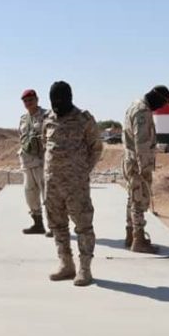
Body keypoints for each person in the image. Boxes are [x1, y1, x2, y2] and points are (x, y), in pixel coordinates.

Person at [42, 81, 102, 287]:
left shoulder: (84, 119)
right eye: (53, 101)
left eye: (61, 100)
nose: (57, 104)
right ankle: (66, 264)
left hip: (76, 185)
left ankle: (85, 269)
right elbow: (46, 145)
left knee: (83, 225)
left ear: (69, 98)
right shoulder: (48, 119)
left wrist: (82, 171)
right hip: (53, 184)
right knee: (57, 225)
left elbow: (96, 148)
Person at [122, 86, 169, 253]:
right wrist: (144, 168)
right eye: (163, 103)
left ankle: (130, 234)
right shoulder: (142, 111)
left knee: (132, 197)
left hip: (131, 161)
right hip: (138, 163)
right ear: (157, 97)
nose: (162, 107)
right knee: (139, 199)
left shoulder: (134, 105)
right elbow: (141, 142)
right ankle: (138, 239)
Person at [17, 89, 49, 235]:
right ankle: (38, 224)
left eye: (31, 100)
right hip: (27, 162)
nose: (28, 103)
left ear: (37, 99)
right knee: (30, 194)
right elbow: (22, 137)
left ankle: (53, 226)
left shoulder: (47, 115)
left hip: (42, 161)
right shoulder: (23, 119)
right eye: (25, 101)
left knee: (47, 194)